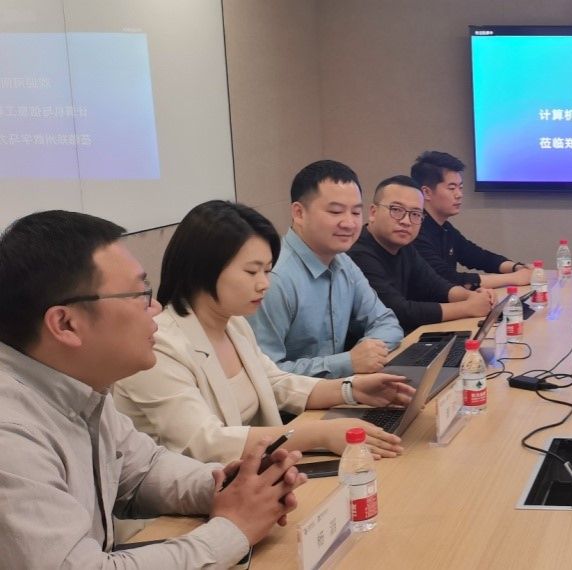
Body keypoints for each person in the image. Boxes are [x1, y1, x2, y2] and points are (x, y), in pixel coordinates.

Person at [0, 210, 306, 567]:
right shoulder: (11, 434)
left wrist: (231, 486)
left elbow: (143, 470)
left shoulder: (79, 385)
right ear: (66, 323)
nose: (156, 308)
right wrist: (233, 530)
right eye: (140, 294)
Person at [114, 201, 413, 465]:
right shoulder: (159, 345)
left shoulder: (234, 324)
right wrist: (319, 434)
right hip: (185, 502)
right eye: (251, 271)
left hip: (249, 477)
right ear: (203, 269)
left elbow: (275, 382)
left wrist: (351, 390)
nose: (264, 284)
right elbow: (205, 442)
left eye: (267, 270)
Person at [247, 160, 404, 378]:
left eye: (356, 212)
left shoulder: (343, 262)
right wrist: (348, 362)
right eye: (336, 211)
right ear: (299, 213)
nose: (349, 223)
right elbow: (265, 373)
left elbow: (386, 322)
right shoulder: (274, 278)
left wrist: (368, 353)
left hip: (342, 389)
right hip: (296, 401)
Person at [349, 176, 496, 331]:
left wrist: (471, 296)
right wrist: (467, 307)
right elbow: (398, 311)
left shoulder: (405, 247)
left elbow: (435, 285)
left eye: (415, 214)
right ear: (373, 212)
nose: (406, 221)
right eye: (396, 210)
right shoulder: (358, 253)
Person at [410, 151, 532, 289]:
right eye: (452, 188)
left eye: (460, 188)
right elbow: (447, 278)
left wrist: (516, 267)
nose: (459, 194)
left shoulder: (445, 228)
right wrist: (514, 278)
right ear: (426, 192)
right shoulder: (414, 230)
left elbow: (478, 256)